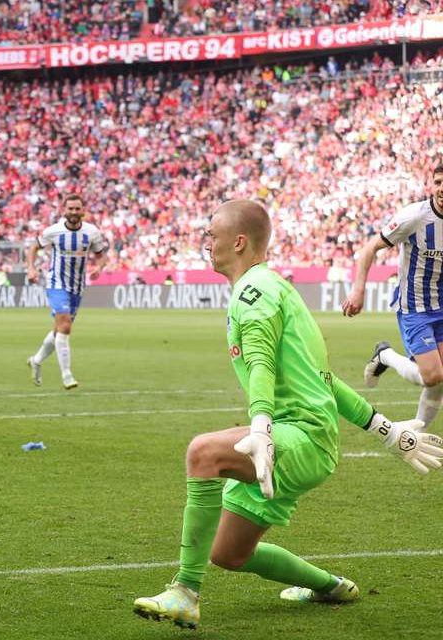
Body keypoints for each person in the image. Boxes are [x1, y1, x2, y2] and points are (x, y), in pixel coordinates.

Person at [133, 200, 443, 629]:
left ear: (238, 242)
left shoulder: (254, 291)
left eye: (212, 234)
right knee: (229, 553)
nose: (207, 242)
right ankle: (330, 586)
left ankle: (185, 591)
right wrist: (388, 431)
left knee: (203, 454)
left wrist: (260, 426)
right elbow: (325, 380)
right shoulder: (277, 288)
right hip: (300, 437)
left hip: (297, 438)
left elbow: (259, 360)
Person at [345, 163, 443, 432]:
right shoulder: (414, 217)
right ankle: (385, 355)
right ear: (431, 185)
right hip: (414, 306)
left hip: (441, 304)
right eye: (437, 182)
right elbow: (369, 248)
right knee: (432, 375)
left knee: (439, 379)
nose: (441, 188)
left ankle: (414, 434)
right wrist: (358, 289)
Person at [25, 194, 107, 389]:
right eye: (70, 209)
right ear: (64, 210)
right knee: (66, 326)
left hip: (77, 287)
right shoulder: (54, 231)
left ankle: (36, 361)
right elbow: (34, 247)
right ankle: (67, 375)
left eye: (77, 209)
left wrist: (99, 267)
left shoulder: (92, 232)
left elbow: (101, 254)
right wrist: (31, 267)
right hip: (56, 283)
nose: (74, 212)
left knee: (59, 329)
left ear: (83, 210)